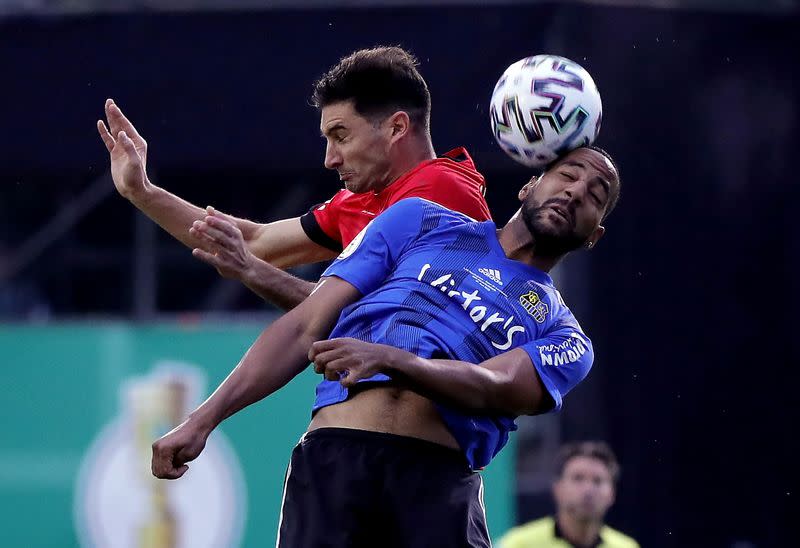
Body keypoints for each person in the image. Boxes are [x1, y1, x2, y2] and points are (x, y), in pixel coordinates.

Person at [150, 145, 621, 547]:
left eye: (594, 196)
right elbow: (304, 325)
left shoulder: (566, 336)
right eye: (567, 176)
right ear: (529, 185)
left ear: (596, 234)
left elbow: (494, 386)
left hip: (436, 486)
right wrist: (201, 421)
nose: (575, 192)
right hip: (335, 463)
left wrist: (393, 359)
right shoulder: (421, 222)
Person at [97, 46, 490, 310]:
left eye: (341, 136)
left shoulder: (441, 192)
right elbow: (253, 242)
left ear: (397, 127)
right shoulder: (363, 202)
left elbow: (373, 319)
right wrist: (141, 192)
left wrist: (253, 271)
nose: (329, 160)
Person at [497, 441, 639, 548]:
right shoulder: (519, 544)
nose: (588, 489)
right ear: (557, 488)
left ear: (612, 494)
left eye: (598, 481)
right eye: (578, 478)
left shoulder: (626, 546)